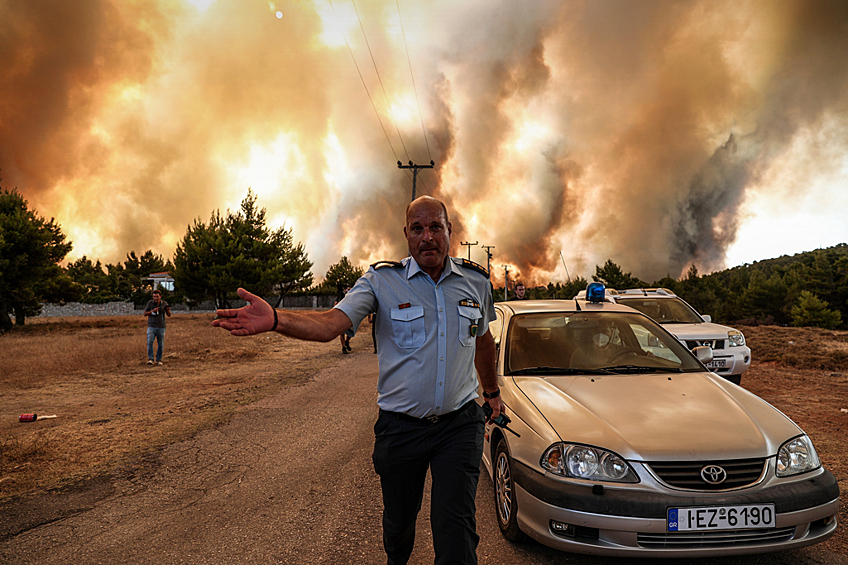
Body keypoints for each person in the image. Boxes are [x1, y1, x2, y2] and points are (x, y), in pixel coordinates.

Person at [213, 195, 502, 565]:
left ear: (450, 231)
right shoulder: (381, 281)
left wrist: (491, 392)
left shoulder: (475, 282)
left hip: (459, 426)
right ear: (406, 235)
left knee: (456, 532)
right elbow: (330, 324)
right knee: (399, 528)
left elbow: (482, 339)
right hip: (401, 428)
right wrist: (275, 319)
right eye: (418, 228)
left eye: (435, 227)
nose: (427, 236)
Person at [144, 289, 171, 365]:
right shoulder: (150, 303)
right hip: (151, 326)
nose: (155, 298)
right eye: (154, 297)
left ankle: (159, 359)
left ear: (160, 296)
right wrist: (152, 311)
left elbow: (169, 315)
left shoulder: (164, 303)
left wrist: (168, 310)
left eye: (157, 296)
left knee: (160, 343)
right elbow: (145, 313)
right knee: (150, 342)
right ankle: (151, 359)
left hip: (161, 326)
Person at [335, 286, 352, 354]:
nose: (348, 290)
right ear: (345, 290)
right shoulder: (341, 296)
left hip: (350, 316)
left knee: (351, 331)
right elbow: (335, 304)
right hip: (342, 316)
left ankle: (347, 341)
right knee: (342, 333)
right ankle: (343, 347)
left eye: (350, 289)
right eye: (347, 289)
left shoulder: (352, 297)